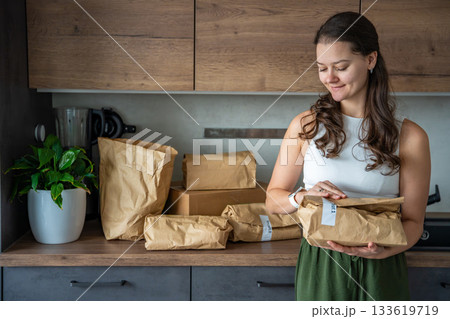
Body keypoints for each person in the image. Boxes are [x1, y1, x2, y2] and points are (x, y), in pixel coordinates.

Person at [266, 11, 431, 301]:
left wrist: (384, 251)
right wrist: (301, 197)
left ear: (370, 60)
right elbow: (273, 199)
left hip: (381, 267)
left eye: (340, 67)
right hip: (321, 264)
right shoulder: (305, 126)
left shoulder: (411, 137)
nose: (329, 78)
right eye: (321, 68)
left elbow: (414, 223)